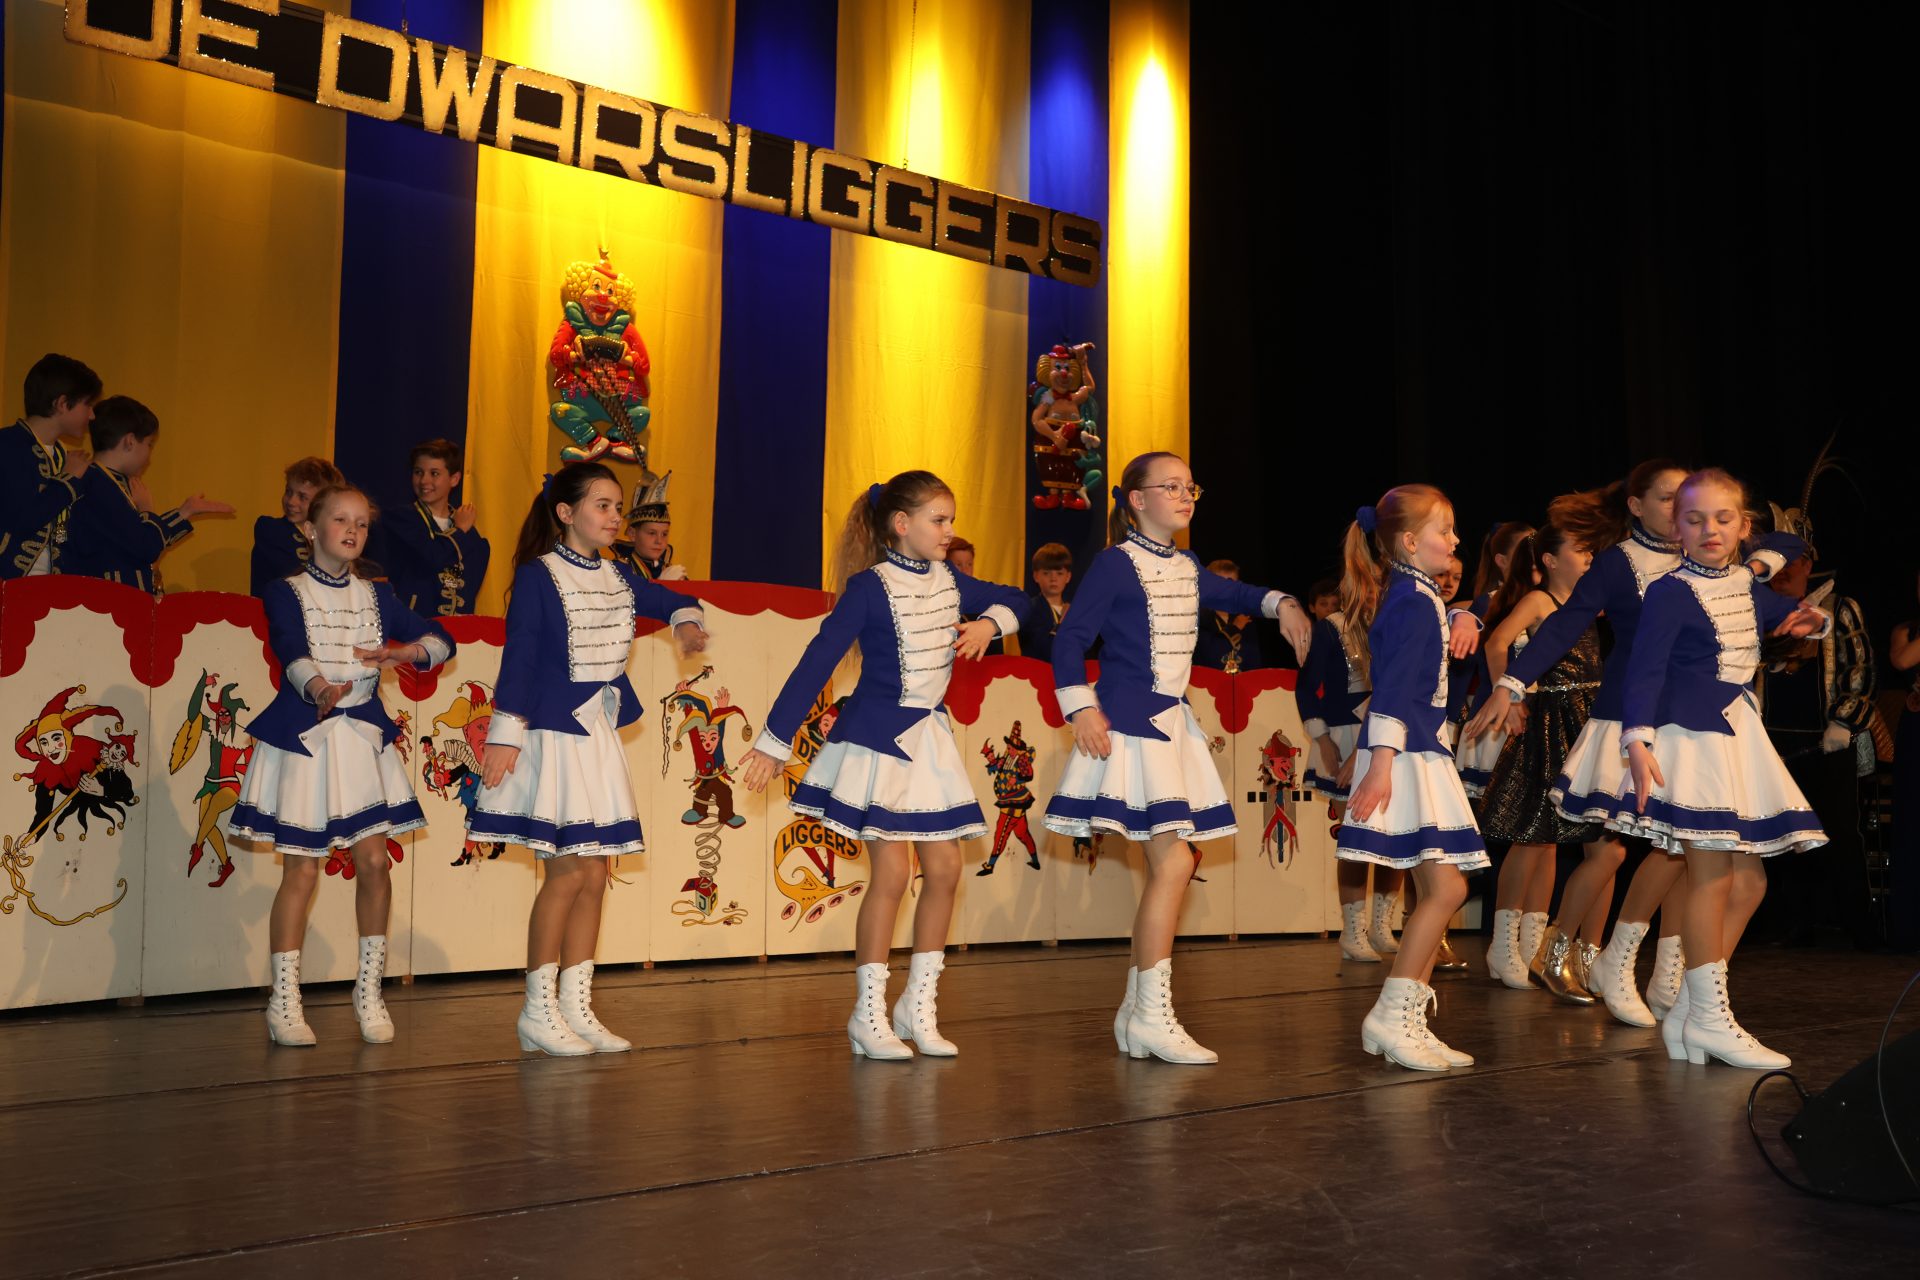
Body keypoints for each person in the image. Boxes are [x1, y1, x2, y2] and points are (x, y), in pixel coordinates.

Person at [739, 472, 1027, 1059]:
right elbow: (817, 661)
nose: (949, 531)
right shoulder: (870, 588)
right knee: (892, 876)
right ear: (901, 524)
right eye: (938, 520)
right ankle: (867, 1014)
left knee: (946, 870)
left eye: (951, 520)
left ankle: (917, 1006)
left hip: (928, 740)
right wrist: (774, 741)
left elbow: (1019, 600)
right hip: (875, 740)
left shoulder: (952, 581)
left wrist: (989, 624)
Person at [1042, 452, 1311, 1064]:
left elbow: (1237, 592)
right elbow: (1071, 640)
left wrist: (1284, 603)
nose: (1186, 495)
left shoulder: (1186, 565)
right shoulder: (1115, 563)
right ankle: (1150, 1014)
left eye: (1191, 486)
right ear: (1136, 500)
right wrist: (1080, 708)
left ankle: (1140, 1011)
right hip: (1131, 721)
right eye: (1171, 486)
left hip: (1169, 721)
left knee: (1174, 862)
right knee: (1175, 862)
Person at [468, 463, 709, 1057]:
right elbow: (520, 657)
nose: (614, 516)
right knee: (568, 873)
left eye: (618, 506)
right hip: (552, 734)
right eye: (602, 505)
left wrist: (686, 623)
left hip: (595, 734)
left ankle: (576, 1005)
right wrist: (504, 734)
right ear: (566, 513)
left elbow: (674, 598)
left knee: (597, 874)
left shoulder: (619, 575)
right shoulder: (539, 576)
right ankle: (537, 1010)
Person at [1465, 461, 1695, 1024]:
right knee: (1551, 840)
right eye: (1668, 498)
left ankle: (1608, 959)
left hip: (1662, 716)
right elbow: (1513, 639)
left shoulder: (1700, 559)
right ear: (1636, 506)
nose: (1683, 511)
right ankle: (1537, 947)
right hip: (1570, 722)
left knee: (1680, 848)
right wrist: (1511, 690)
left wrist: (1767, 564)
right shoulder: (1602, 573)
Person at [231, 483, 456, 1047]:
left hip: (361, 739)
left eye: (361, 523)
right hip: (307, 737)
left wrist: (404, 652)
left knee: (375, 863)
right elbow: (289, 647)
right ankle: (285, 999)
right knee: (302, 870)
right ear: (311, 529)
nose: (352, 530)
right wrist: (318, 688)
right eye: (340, 520)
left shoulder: (377, 596)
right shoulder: (285, 590)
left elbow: (442, 641)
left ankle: (369, 991)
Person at [1619, 467, 1829, 1068]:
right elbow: (1644, 670)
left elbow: (1786, 596)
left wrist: (1808, 619)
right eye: (1694, 519)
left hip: (1736, 733)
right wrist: (1637, 742)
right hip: (1692, 739)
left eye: (1723, 518)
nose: (1709, 530)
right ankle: (1709, 1017)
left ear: (1743, 526)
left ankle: (1691, 1009)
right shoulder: (1669, 591)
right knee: (1710, 878)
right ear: (1676, 528)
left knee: (1751, 882)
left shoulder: (1743, 581)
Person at [1336, 486, 1490, 1071]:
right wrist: (1380, 765)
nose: (1455, 540)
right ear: (1408, 541)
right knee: (1446, 890)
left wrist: (1464, 612)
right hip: (1405, 755)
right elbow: (1395, 687)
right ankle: (1392, 1015)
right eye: (1443, 531)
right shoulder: (1409, 599)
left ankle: (1404, 1019)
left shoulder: (1418, 594)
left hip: (1418, 750)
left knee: (1444, 888)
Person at [1475, 522, 1598, 988]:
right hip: (1547, 720)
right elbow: (1495, 642)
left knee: (1551, 840)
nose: (1589, 556)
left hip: (1583, 721)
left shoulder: (1586, 602)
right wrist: (1508, 698)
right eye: (1580, 549)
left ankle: (1531, 945)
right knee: (1529, 835)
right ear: (1550, 560)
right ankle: (1503, 944)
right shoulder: (1538, 601)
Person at [1752, 530, 1877, 946]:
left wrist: (1843, 722)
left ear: (1807, 565)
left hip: (1826, 743)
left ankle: (1854, 927)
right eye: (1775, 563)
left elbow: (1859, 667)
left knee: (1838, 833)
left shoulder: (1838, 608)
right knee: (1779, 837)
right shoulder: (1759, 608)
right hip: (1772, 744)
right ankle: (1785, 923)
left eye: (1791, 563)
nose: (1782, 572)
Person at [1297, 549, 1402, 962]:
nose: (1373, 591)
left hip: (1389, 737)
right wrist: (1323, 740)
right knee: (1356, 836)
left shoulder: (1397, 624)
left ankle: (1382, 925)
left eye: (1380, 583)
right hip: (1345, 737)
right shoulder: (1332, 627)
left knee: (1394, 834)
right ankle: (1352, 930)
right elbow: (1307, 688)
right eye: (1367, 582)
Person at [62, 395, 232, 594]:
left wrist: (185, 512)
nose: (149, 456)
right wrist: (147, 509)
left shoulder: (105, 482)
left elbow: (136, 536)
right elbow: (147, 547)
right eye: (150, 444)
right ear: (130, 441)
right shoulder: (99, 484)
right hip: (107, 600)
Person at [1, 353, 99, 579]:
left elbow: (61, 529)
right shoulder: (8, 445)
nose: (92, 415)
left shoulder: (62, 457)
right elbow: (22, 519)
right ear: (62, 404)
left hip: (50, 583)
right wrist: (67, 481)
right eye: (88, 404)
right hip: (9, 581)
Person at [374, 439, 490, 616]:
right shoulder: (401, 519)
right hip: (412, 625)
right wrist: (459, 531)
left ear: (454, 479)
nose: (424, 480)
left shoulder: (470, 534)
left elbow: (471, 583)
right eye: (418, 472)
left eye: (434, 473)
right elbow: (433, 556)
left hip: (456, 628)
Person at [252, 457, 345, 595]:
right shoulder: (270, 529)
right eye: (288, 491)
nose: (291, 501)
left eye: (302, 497)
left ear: (323, 504)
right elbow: (294, 575)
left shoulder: (331, 537)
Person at [612, 470, 688, 581]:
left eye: (664, 534)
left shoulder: (671, 572)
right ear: (632, 534)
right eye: (652, 533)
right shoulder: (618, 571)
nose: (659, 541)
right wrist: (662, 584)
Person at [1194, 558, 1266, 672]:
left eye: (1232, 585)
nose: (1227, 591)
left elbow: (1254, 662)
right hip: (1208, 681)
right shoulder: (1199, 617)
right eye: (1221, 584)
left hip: (1242, 681)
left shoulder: (1244, 617)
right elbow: (1210, 657)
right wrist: (1234, 629)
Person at [1018, 542, 1074, 663]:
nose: (1053, 578)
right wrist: (1063, 622)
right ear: (1036, 576)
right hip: (1037, 672)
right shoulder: (1029, 609)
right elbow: (1043, 650)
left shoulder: (1074, 610)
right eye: (1046, 573)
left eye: (1059, 573)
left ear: (1068, 577)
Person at [947, 536, 1002, 656]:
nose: (965, 571)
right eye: (958, 564)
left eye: (969, 564)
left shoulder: (984, 600)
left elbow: (996, 652)